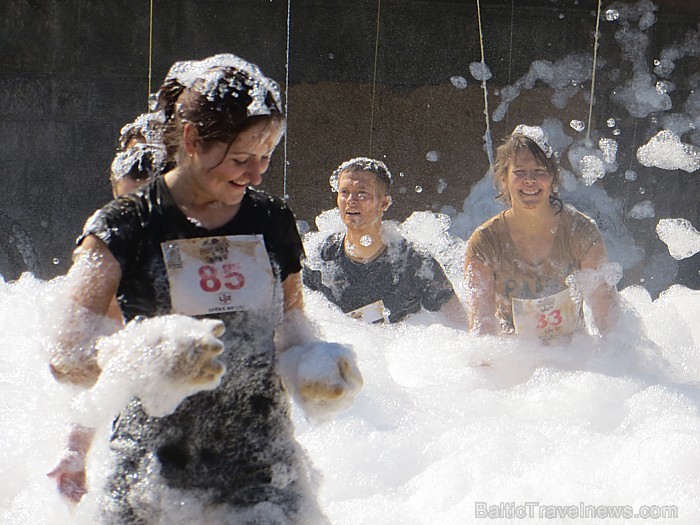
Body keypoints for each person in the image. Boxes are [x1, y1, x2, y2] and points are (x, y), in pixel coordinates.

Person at [47, 53, 361, 524]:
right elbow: (67, 353)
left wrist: (313, 365)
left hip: (262, 466)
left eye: (266, 156)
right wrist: (147, 356)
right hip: (156, 471)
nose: (256, 173)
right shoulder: (126, 225)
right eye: (240, 158)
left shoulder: (271, 220)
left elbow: (290, 322)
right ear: (192, 140)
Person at [463, 128, 620, 340]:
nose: (530, 180)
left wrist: (614, 363)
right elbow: (482, 329)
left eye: (539, 171)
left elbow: (607, 317)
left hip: (574, 357)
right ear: (503, 180)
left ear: (553, 179)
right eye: (519, 172)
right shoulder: (484, 243)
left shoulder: (580, 232)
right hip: (516, 357)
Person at [303, 157, 464, 324]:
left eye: (362, 193)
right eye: (344, 192)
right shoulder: (320, 257)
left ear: (384, 203)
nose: (351, 200)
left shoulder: (414, 262)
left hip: (398, 346)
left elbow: (459, 324)